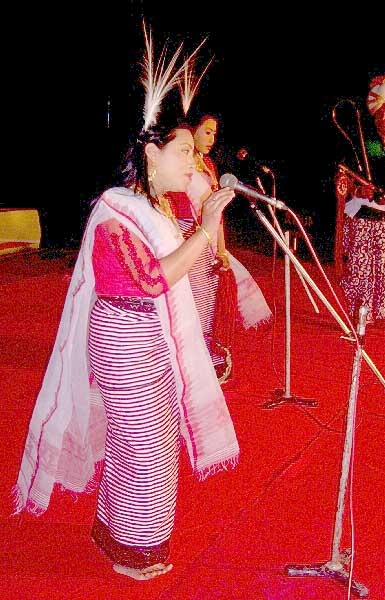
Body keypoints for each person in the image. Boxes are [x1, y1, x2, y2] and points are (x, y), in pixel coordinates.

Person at [12, 29, 239, 581]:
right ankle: (133, 549)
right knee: (143, 447)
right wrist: (205, 229)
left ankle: (115, 531)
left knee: (146, 441)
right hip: (125, 343)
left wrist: (203, 226)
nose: (193, 161)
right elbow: (152, 280)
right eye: (183, 151)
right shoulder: (117, 212)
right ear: (150, 153)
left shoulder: (152, 205)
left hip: (148, 341)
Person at [167, 111, 273, 383]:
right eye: (206, 132)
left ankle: (210, 357)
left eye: (214, 133)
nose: (211, 138)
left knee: (211, 302)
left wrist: (222, 250)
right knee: (191, 303)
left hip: (209, 241)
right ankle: (189, 363)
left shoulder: (208, 166)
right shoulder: (176, 167)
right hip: (185, 240)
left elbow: (217, 214)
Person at [334, 74, 385, 326]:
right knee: (360, 271)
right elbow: (342, 179)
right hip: (363, 218)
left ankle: (379, 316)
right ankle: (358, 315)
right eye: (379, 113)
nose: (384, 117)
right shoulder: (360, 145)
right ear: (373, 116)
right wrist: (358, 191)